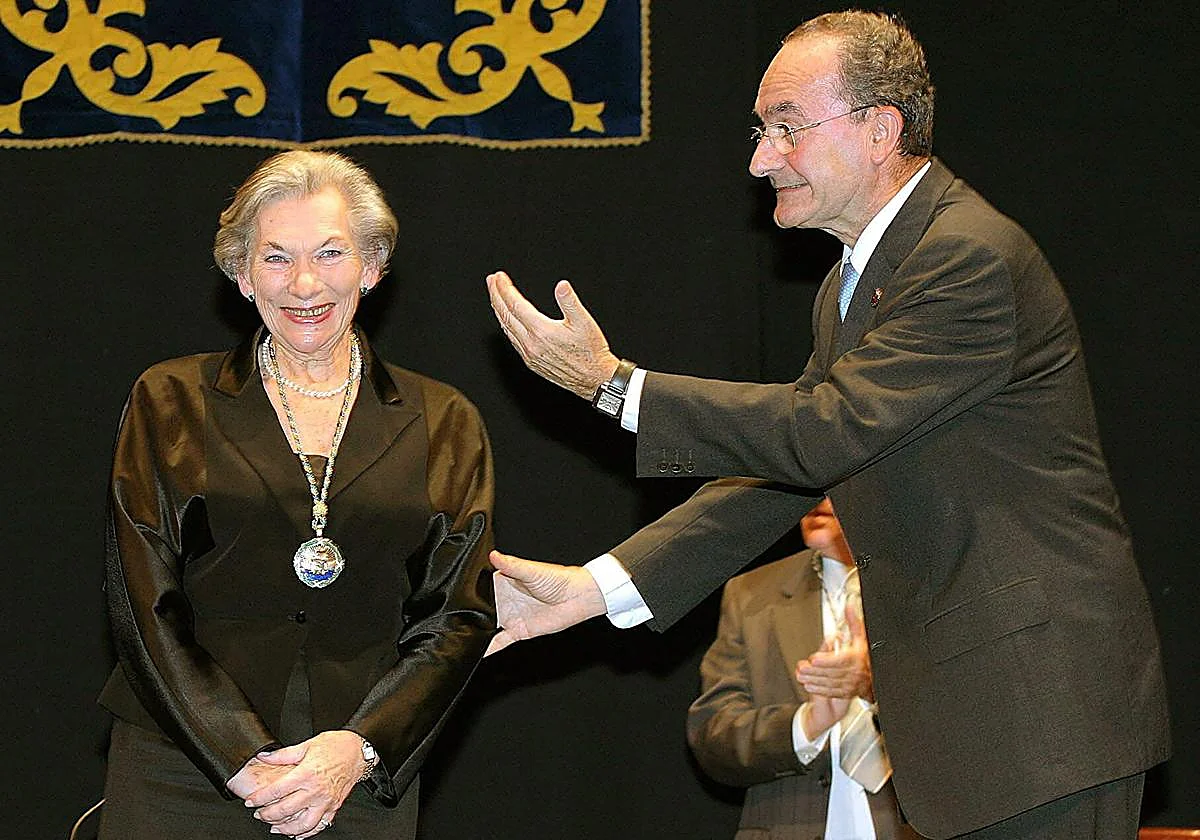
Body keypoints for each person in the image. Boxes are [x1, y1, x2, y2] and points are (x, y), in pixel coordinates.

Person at [484, 10, 1169, 840]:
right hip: (987, 721)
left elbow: (823, 432)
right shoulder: (857, 280)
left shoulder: (965, 258)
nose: (760, 158)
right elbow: (787, 472)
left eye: (785, 129)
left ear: (880, 130)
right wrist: (595, 589)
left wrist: (614, 387)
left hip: (1036, 713)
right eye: (760, 130)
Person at [98, 150, 495, 840]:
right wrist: (238, 754)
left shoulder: (445, 420)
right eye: (276, 258)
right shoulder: (170, 400)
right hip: (183, 766)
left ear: (371, 267)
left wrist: (359, 748)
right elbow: (141, 599)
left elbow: (456, 617)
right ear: (243, 276)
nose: (304, 283)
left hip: (354, 777)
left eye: (331, 253)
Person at [689, 498, 917, 840]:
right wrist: (806, 725)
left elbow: (981, 713)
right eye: (809, 481)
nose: (819, 498)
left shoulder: (928, 584)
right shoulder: (750, 594)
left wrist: (873, 685)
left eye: (835, 481)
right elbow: (713, 738)